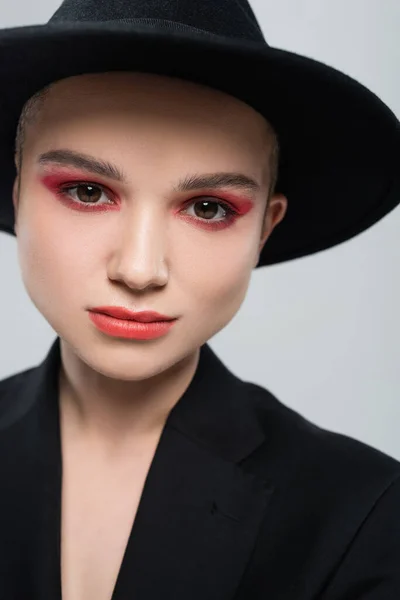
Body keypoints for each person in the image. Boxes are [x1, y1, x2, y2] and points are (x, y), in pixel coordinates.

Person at [0, 0, 399, 599]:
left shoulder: (365, 513)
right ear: (16, 193)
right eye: (86, 191)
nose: (140, 270)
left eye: (209, 208)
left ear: (265, 227)